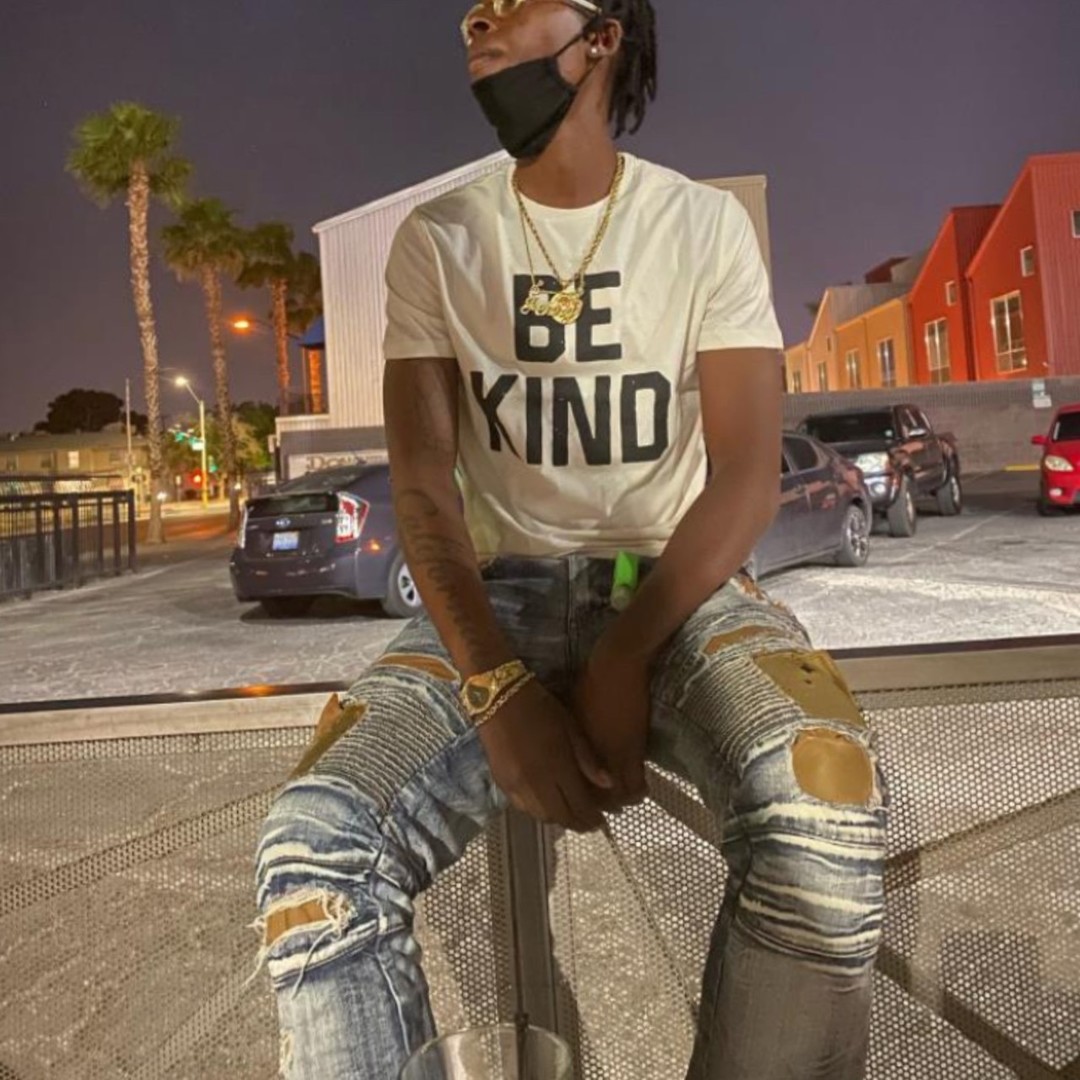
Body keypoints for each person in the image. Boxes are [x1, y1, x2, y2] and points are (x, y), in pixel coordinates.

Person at [253, 1, 890, 1077]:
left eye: (516, 0)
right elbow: (423, 486)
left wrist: (626, 652)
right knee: (316, 849)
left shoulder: (699, 226)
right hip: (496, 597)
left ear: (602, 37)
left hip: (676, 593)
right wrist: (497, 689)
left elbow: (746, 473)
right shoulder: (441, 237)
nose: (480, 18)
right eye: (474, 8)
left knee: (822, 805)